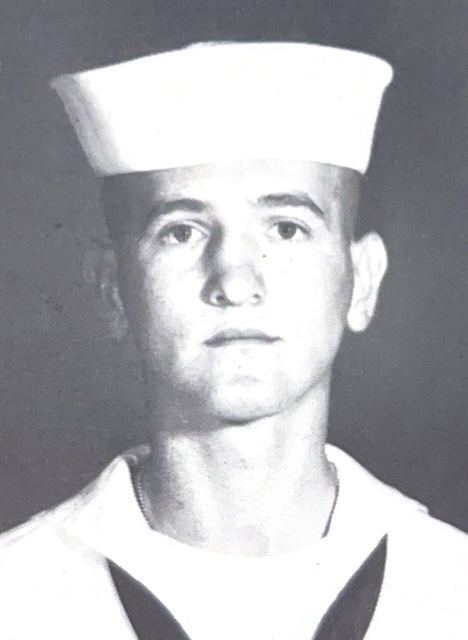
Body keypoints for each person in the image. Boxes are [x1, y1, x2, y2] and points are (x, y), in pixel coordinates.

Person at [1, 41, 468, 640]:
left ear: (362, 280)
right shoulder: (18, 597)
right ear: (113, 289)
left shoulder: (450, 589)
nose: (236, 281)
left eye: (287, 228)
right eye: (182, 232)